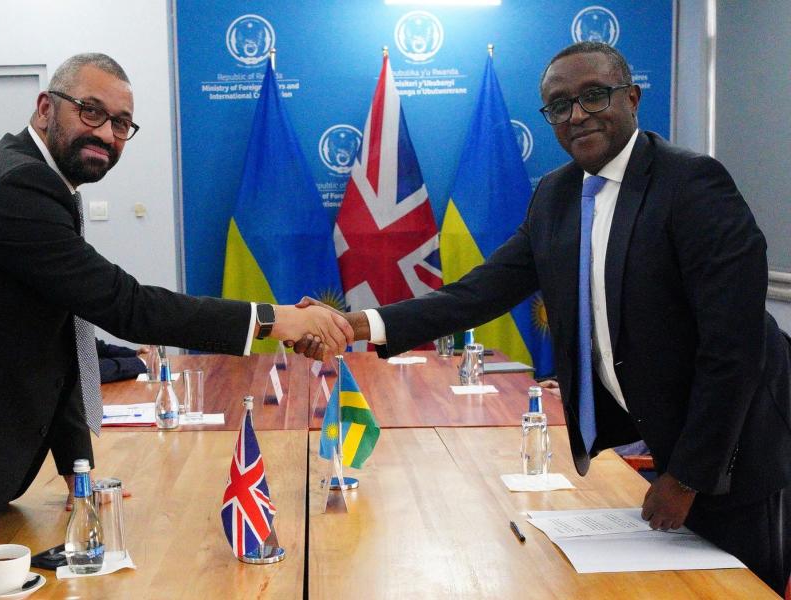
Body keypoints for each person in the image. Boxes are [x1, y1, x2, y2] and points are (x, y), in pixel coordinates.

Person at [0, 53, 352, 598]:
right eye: (90, 111)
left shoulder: (46, 188)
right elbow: (122, 304)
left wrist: (81, 478)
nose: (106, 133)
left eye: (121, 124)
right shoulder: (16, 187)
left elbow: (61, 337)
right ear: (44, 108)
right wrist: (276, 319)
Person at [297, 42, 791, 593]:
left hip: (734, 452)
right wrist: (360, 324)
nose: (577, 115)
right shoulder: (556, 195)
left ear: (631, 97)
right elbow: (478, 293)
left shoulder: (693, 184)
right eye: (559, 105)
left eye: (593, 96)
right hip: (663, 440)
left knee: (739, 590)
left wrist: (686, 477)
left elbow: (734, 348)